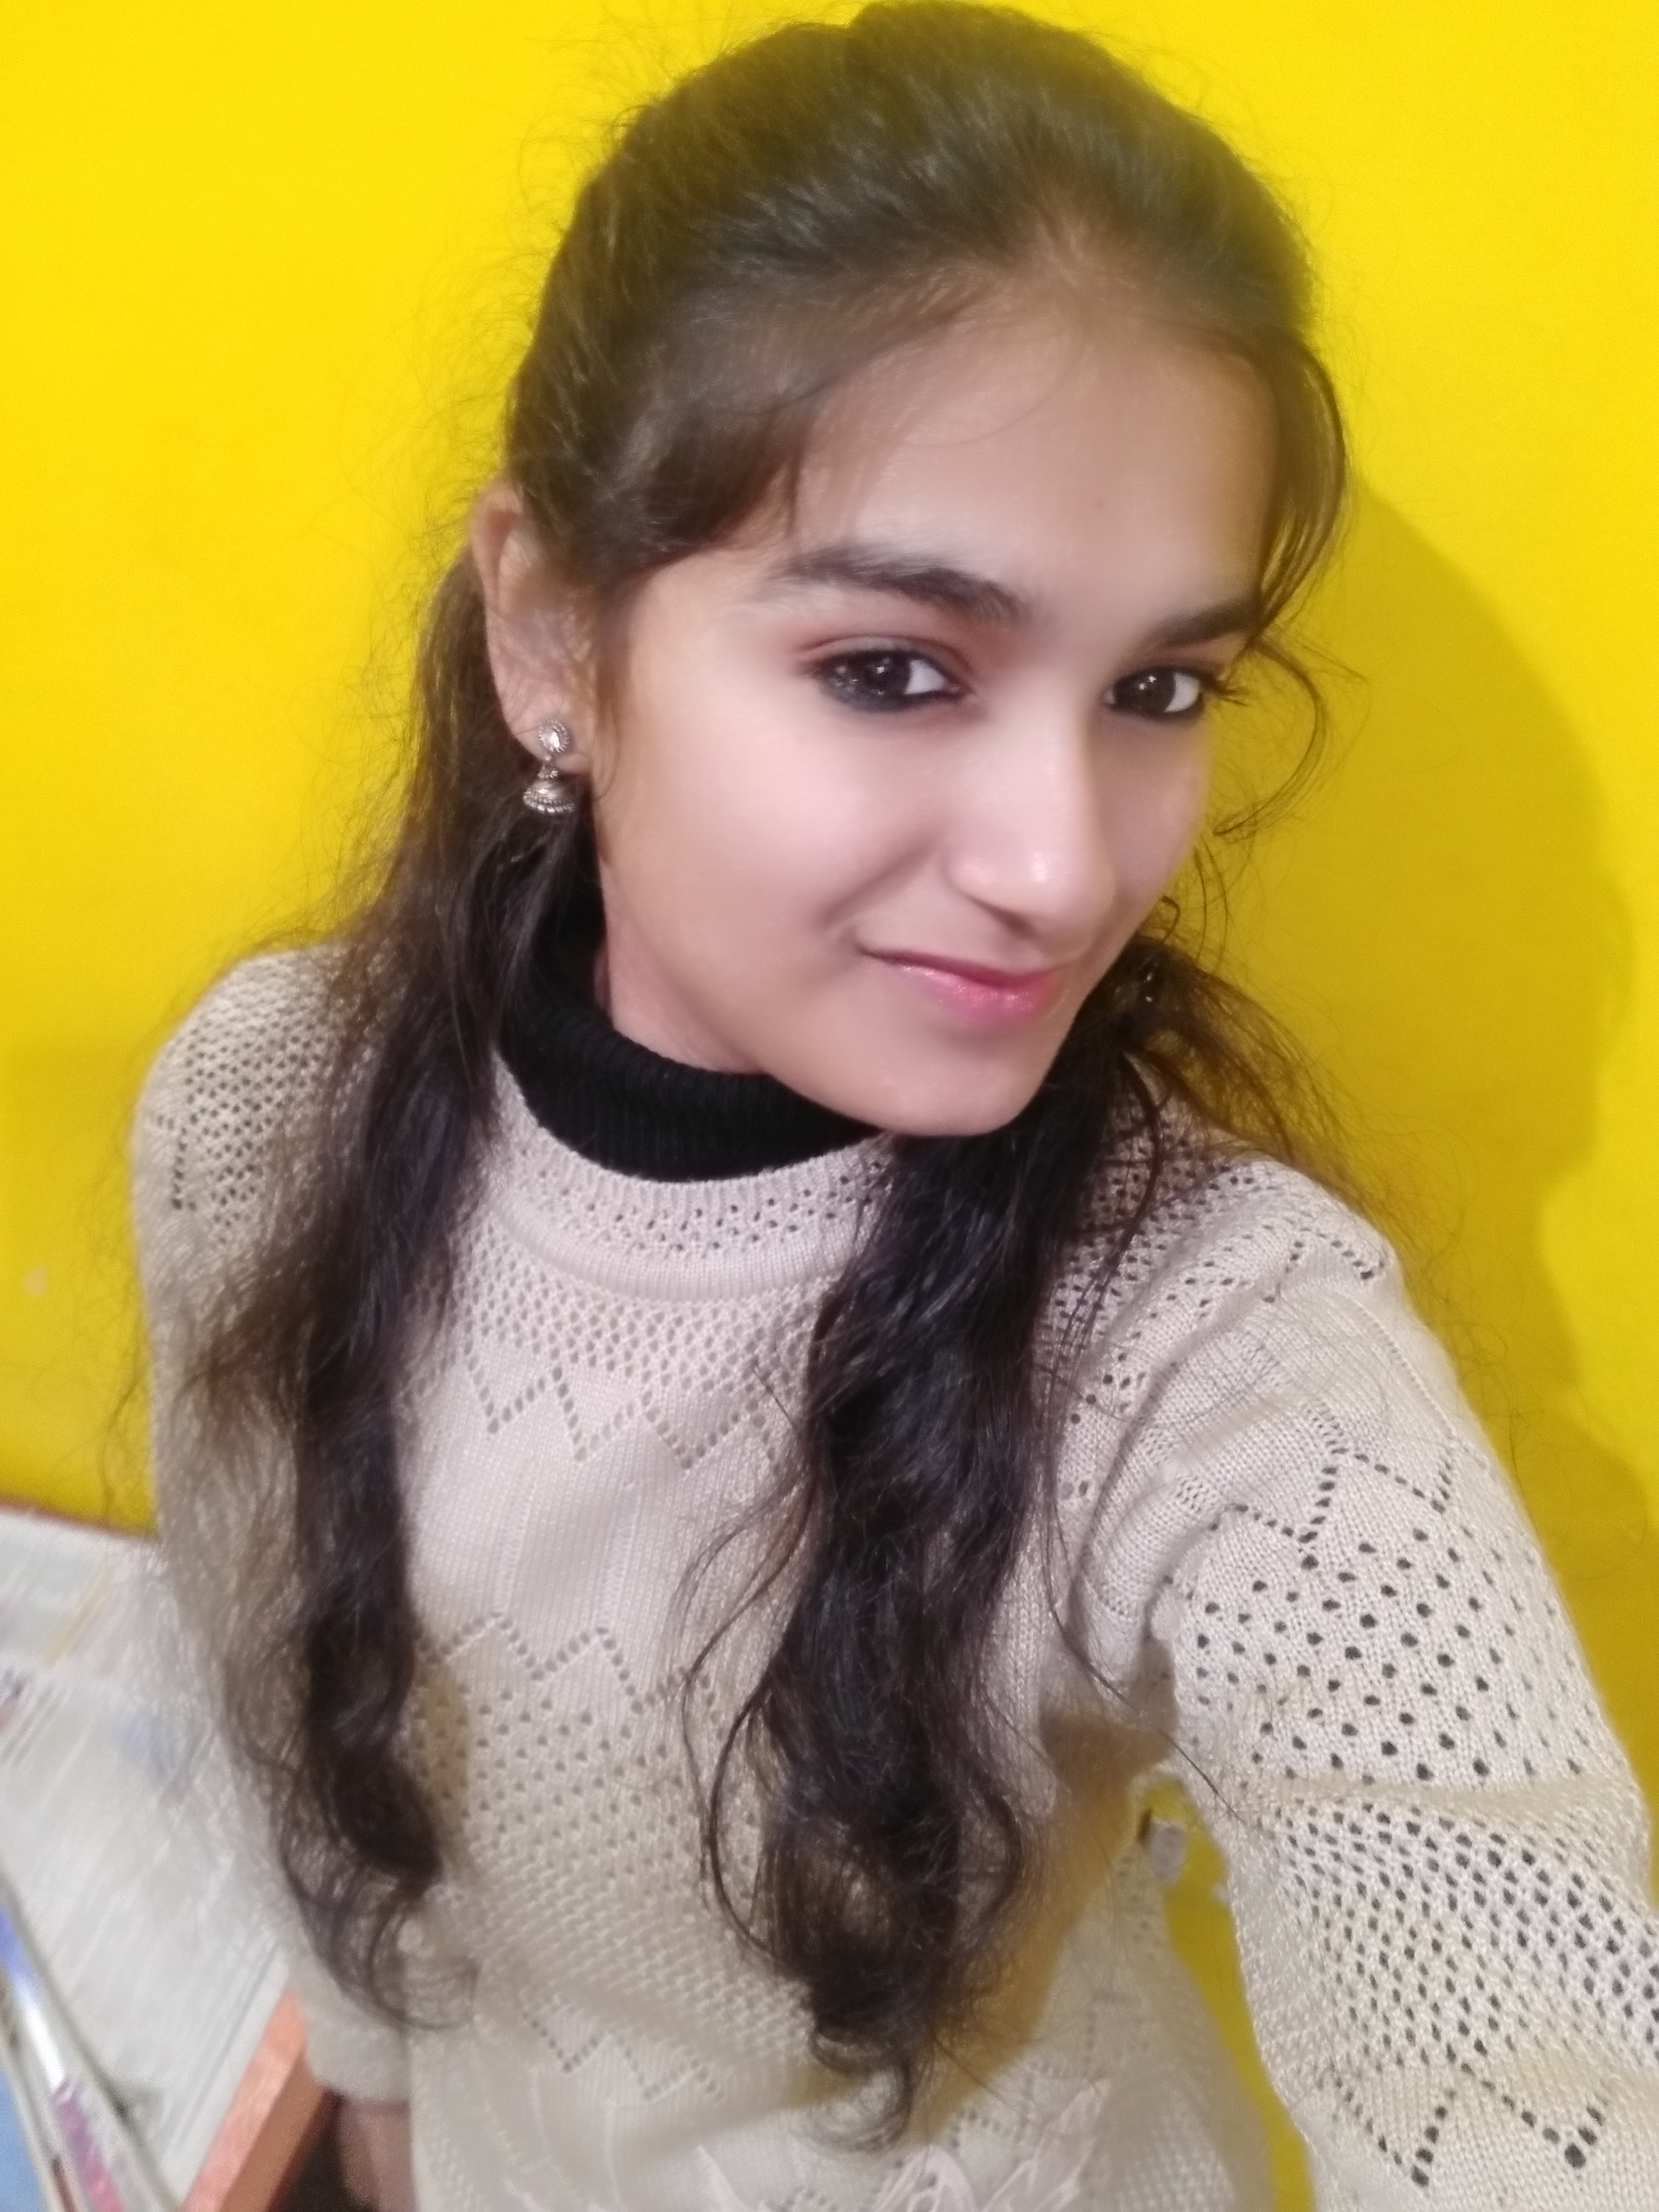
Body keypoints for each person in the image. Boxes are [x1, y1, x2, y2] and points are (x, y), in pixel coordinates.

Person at [131, 5, 1659, 2207]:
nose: (1067, 863)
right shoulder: (271, 1115)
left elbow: (1517, 2032)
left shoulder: (1209, 1348)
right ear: (550, 635)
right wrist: (376, 2085)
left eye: (1159, 688)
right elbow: (275, 1667)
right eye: (893, 670)